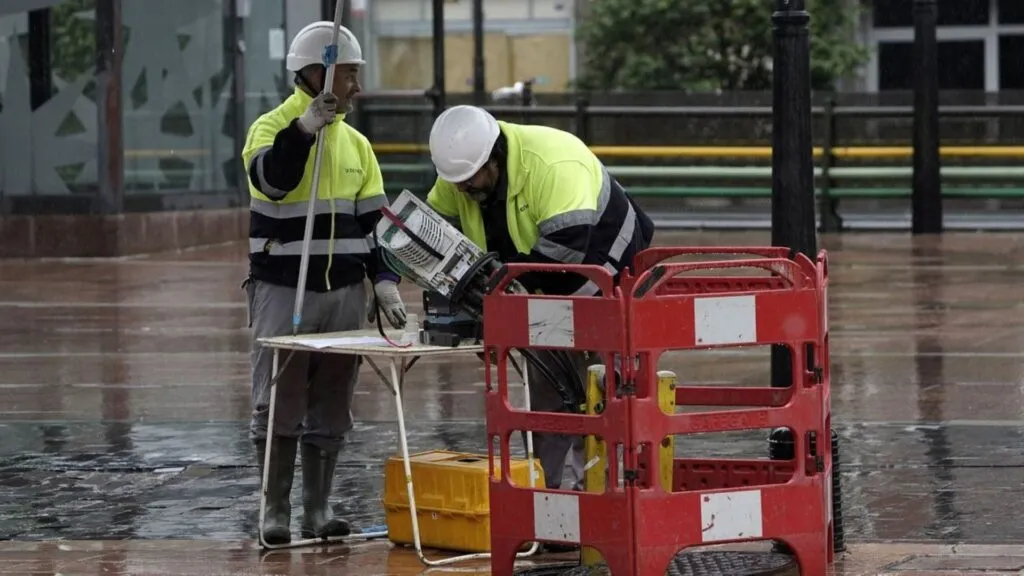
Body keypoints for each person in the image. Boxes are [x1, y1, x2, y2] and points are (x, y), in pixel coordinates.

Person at [424, 105, 655, 494]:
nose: (462, 189)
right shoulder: (464, 173)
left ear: (493, 156)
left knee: (600, 396)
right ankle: (547, 503)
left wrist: (500, 304)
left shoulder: (552, 163)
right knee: (547, 400)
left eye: (469, 180)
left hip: (608, 280)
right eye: (457, 182)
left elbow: (567, 253)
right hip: (543, 290)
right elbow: (433, 228)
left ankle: (602, 499)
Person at [240, 21, 407, 545]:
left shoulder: (358, 145)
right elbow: (273, 179)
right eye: (351, 74)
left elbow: (374, 224)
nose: (357, 86)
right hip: (283, 290)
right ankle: (274, 511)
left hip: (343, 294)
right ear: (318, 71)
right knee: (279, 398)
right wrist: (303, 132)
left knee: (333, 400)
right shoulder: (271, 127)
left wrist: (384, 281)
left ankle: (317, 508)